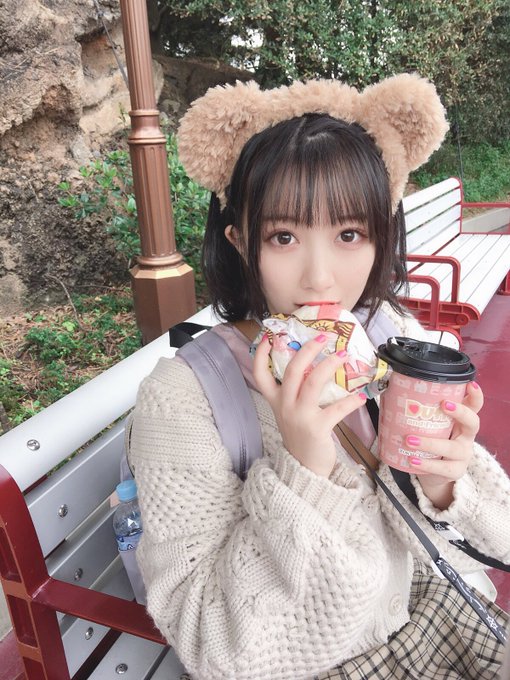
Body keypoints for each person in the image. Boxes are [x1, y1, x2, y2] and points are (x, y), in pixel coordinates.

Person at [129, 74, 510, 680]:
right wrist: (304, 469)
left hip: (442, 617)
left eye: (349, 234)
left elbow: (496, 542)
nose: (321, 278)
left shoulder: (385, 334)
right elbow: (212, 645)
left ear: (382, 236)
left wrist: (442, 485)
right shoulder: (183, 400)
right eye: (283, 236)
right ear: (239, 241)